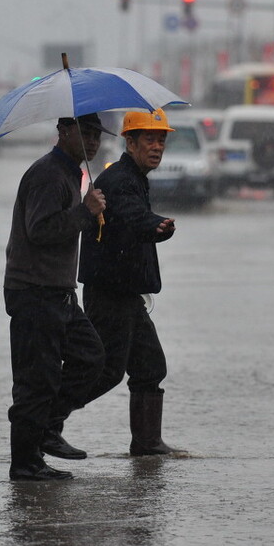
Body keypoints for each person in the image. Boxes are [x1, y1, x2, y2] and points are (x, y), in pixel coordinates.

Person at [68, 108, 184, 456]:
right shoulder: (120, 179)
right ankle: (43, 420)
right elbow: (134, 217)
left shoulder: (132, 177)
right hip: (110, 292)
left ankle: (147, 443)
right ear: (129, 142)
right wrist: (157, 225)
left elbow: (131, 219)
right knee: (104, 372)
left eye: (161, 139)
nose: (157, 146)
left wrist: (153, 226)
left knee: (150, 366)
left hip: (126, 292)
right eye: (149, 139)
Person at [4, 113, 110, 481]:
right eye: (86, 133)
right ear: (63, 132)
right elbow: (41, 229)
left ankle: (48, 427)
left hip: (60, 293)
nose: (93, 142)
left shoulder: (71, 173)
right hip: (35, 292)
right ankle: (26, 463)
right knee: (37, 380)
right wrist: (85, 212)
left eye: (97, 135)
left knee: (91, 358)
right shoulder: (49, 173)